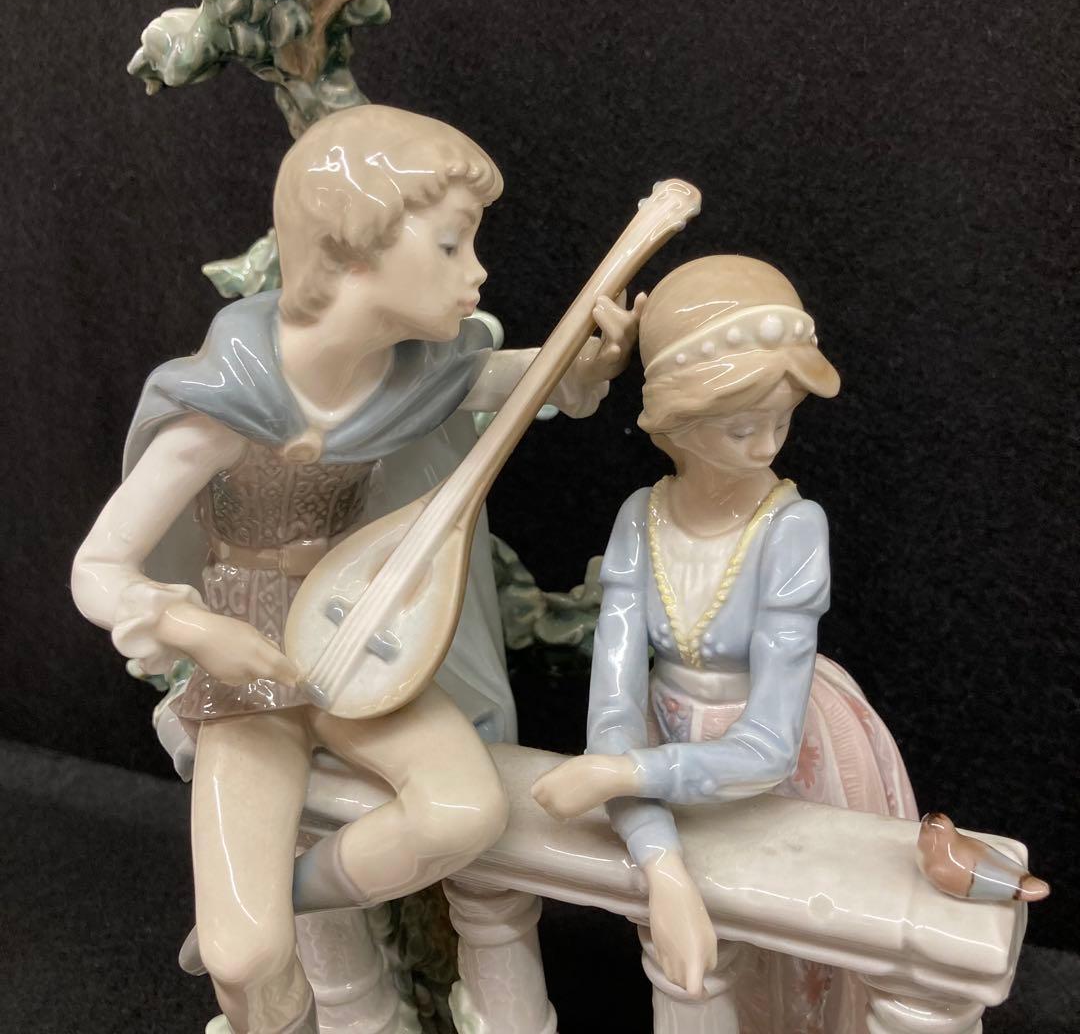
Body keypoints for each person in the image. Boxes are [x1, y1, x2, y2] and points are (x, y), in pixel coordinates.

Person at [72, 104, 638, 1034]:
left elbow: (533, 381)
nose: (477, 272)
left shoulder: (413, 374)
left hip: (361, 642)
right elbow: (98, 566)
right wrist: (193, 627)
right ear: (354, 249)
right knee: (242, 965)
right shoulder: (226, 403)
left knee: (462, 811)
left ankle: (279, 897)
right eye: (451, 245)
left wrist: (589, 369)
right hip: (251, 666)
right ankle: (253, 949)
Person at [532, 254, 917, 1033]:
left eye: (782, 420)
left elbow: (769, 746)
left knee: (801, 971)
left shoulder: (793, 529)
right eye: (741, 427)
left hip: (786, 764)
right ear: (676, 422)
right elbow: (613, 713)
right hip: (668, 742)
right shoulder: (640, 517)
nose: (766, 446)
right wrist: (663, 865)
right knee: (703, 972)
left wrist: (624, 774)